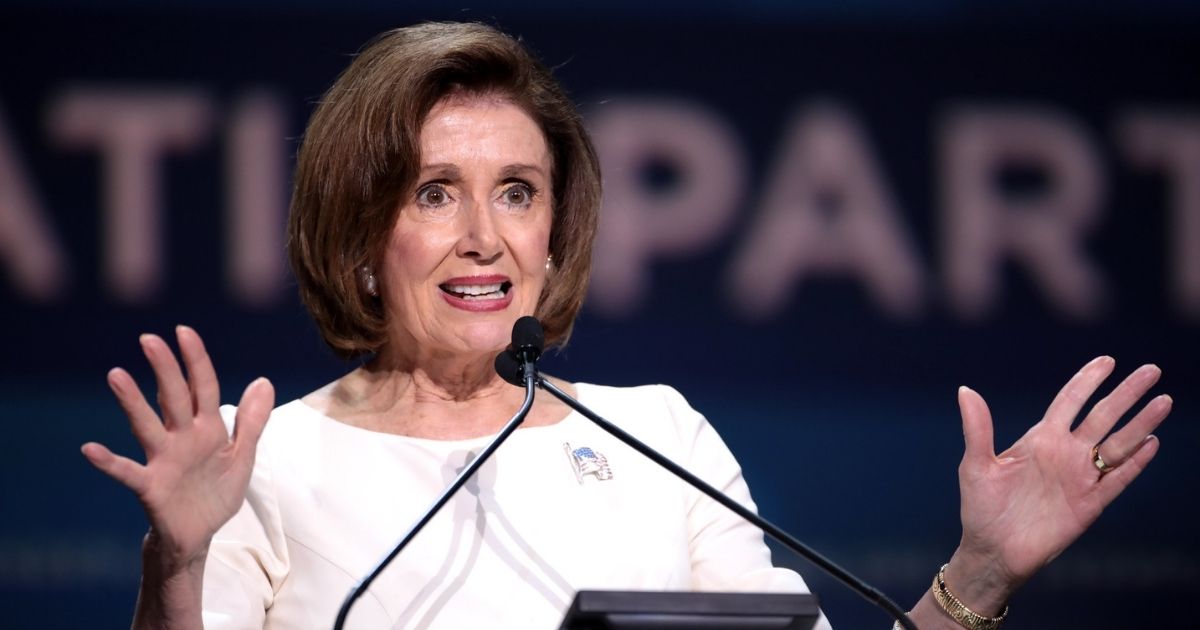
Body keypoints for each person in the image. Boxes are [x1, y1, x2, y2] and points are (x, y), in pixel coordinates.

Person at [80, 21, 1173, 630]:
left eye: (517, 192)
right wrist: (175, 565)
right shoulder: (258, 458)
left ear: (555, 233)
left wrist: (977, 577)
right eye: (432, 193)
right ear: (361, 235)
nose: (485, 237)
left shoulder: (662, 437)